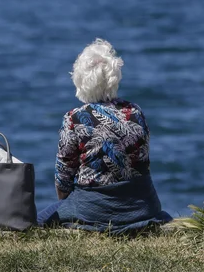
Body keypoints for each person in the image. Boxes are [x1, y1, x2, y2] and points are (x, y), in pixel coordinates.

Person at [37, 38, 172, 234]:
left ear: (80, 80)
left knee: (38, 220)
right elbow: (143, 163)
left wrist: (71, 205)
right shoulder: (135, 112)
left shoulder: (75, 118)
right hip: (142, 207)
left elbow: (63, 180)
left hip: (95, 208)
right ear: (114, 77)